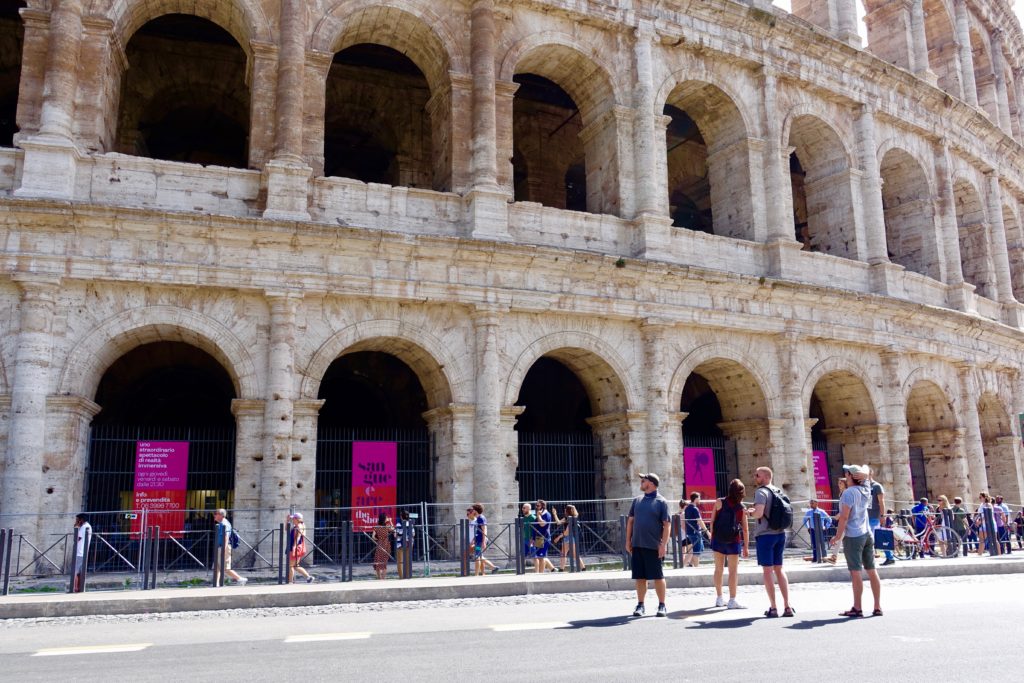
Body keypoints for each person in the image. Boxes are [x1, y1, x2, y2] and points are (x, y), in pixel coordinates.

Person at [830, 464, 883, 617]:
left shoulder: (848, 493)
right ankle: (877, 606)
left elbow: (845, 517)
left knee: (855, 572)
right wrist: (865, 475)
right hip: (867, 533)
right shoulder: (866, 488)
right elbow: (866, 468)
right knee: (872, 571)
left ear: (849, 476)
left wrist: (838, 536)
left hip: (853, 535)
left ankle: (857, 607)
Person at [626, 473, 671, 617]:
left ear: (650, 483)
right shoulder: (637, 500)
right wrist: (628, 541)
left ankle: (662, 605)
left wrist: (663, 544)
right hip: (637, 544)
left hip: (653, 545)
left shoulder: (661, 502)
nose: (641, 482)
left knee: (658, 576)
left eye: (643, 480)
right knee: (640, 577)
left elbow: (667, 525)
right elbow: (630, 522)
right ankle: (640, 605)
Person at [753, 466, 793, 618]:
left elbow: (759, 513)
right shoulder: (778, 491)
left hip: (765, 535)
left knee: (767, 571)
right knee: (779, 569)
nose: (755, 478)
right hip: (780, 534)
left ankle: (774, 607)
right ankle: (787, 606)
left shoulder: (761, 492)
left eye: (757, 475)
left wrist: (750, 513)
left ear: (764, 477)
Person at [710, 479, 748, 609]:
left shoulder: (719, 502)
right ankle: (732, 600)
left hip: (718, 539)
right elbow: (745, 529)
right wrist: (746, 547)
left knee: (718, 569)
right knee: (733, 571)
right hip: (733, 540)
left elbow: (712, 521)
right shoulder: (742, 508)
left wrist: (712, 538)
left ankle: (719, 598)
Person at [212, 508, 247, 586]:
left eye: (215, 513)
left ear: (221, 515)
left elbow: (226, 537)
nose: (214, 515)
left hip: (224, 547)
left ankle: (240, 579)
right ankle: (216, 584)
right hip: (220, 547)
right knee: (217, 567)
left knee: (225, 568)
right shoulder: (221, 524)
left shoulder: (225, 524)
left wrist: (224, 549)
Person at [867, 470, 894, 566]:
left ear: (870, 474)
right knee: (871, 538)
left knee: (878, 537)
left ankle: (890, 557)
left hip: (874, 516)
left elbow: (881, 502)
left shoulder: (876, 486)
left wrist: (882, 516)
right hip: (866, 516)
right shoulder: (864, 487)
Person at [553, 504, 586, 571]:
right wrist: (555, 514)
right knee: (572, 554)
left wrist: (558, 537)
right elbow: (558, 523)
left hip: (569, 537)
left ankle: (562, 569)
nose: (564, 510)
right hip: (572, 537)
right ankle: (583, 568)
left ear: (568, 510)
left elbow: (567, 532)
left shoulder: (570, 519)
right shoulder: (571, 518)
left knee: (565, 554)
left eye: (565, 509)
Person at [468, 503, 498, 575]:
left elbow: (484, 530)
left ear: (476, 510)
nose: (472, 511)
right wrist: (473, 540)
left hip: (481, 541)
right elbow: (477, 531)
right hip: (478, 540)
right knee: (479, 556)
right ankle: (493, 567)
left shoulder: (481, 518)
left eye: (473, 510)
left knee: (477, 556)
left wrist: (484, 541)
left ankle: (476, 574)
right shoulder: (478, 518)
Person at [682, 492, 710, 568]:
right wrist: (707, 532)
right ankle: (696, 568)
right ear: (696, 499)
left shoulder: (687, 508)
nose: (700, 500)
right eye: (699, 498)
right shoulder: (694, 509)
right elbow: (700, 521)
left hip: (691, 532)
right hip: (695, 532)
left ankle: (690, 564)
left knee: (700, 548)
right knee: (697, 551)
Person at [286, 512, 313, 584]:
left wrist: (294, 547)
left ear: (297, 519)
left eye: (293, 518)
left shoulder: (299, 526)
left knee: (291, 565)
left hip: (295, 547)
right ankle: (308, 577)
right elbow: (286, 529)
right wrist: (287, 520)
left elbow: (297, 538)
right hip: (295, 547)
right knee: (295, 566)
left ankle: (290, 582)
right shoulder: (298, 525)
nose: (292, 520)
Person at [531, 500, 556, 573]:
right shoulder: (538, 514)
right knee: (539, 556)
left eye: (538, 506)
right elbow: (536, 527)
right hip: (538, 538)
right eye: (536, 505)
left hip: (544, 537)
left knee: (541, 557)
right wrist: (533, 537)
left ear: (543, 506)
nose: (536, 507)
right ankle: (551, 569)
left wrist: (538, 515)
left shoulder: (546, 514)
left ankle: (541, 574)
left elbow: (542, 524)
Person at [72, 513, 92, 593]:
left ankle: (75, 588)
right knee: (80, 572)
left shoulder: (83, 527)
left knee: (75, 572)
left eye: (77, 519)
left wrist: (76, 526)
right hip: (83, 552)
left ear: (81, 520)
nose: (76, 521)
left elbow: (77, 539)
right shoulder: (88, 526)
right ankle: (79, 588)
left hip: (79, 552)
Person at [393, 510, 415, 579]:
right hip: (409, 544)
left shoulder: (399, 524)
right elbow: (414, 534)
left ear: (401, 516)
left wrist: (395, 533)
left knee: (400, 561)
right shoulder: (411, 523)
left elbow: (397, 535)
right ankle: (408, 575)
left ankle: (401, 576)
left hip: (400, 544)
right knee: (408, 560)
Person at [371, 512, 394, 580]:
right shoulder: (387, 526)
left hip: (379, 545)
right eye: (386, 517)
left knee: (377, 562)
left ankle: (379, 578)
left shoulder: (376, 527)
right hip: (386, 545)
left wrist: (378, 539)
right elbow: (393, 529)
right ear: (384, 519)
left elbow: (373, 537)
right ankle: (383, 579)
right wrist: (390, 521)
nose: (387, 518)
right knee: (384, 563)